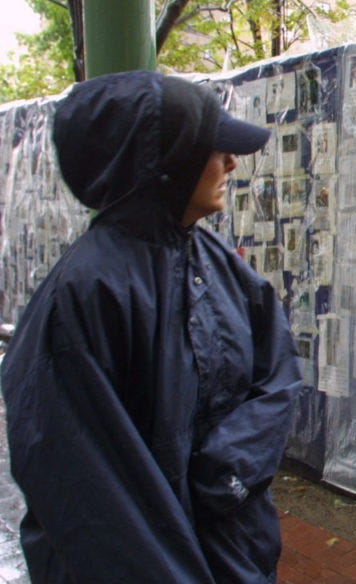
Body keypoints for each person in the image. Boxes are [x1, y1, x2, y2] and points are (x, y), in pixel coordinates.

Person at [1, 71, 301, 582]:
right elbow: (93, 501)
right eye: (215, 148)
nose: (232, 162)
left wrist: (226, 472)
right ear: (167, 164)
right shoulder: (84, 296)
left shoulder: (215, 262)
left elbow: (278, 375)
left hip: (236, 553)